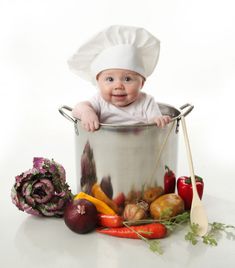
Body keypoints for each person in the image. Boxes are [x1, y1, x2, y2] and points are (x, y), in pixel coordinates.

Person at [68, 25, 171, 132]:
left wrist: (159, 120)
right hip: (103, 145)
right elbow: (77, 109)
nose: (118, 86)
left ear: (142, 83)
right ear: (98, 82)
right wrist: (86, 112)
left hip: (141, 146)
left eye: (127, 79)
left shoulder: (146, 102)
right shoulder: (99, 101)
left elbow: (154, 121)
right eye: (110, 79)